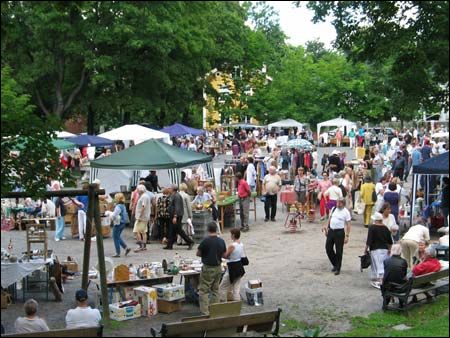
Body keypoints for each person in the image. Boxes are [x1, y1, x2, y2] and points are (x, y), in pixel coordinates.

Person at [197, 222, 227, 315]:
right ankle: (215, 311)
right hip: (218, 267)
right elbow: (224, 254)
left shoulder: (205, 241)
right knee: (215, 289)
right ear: (216, 229)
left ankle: (205, 312)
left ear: (208, 229)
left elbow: (198, 253)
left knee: (204, 290)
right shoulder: (221, 241)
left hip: (208, 268)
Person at [322, 197, 352, 275]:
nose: (337, 204)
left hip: (339, 232)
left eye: (339, 203)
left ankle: (338, 268)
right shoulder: (333, 209)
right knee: (328, 248)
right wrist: (327, 227)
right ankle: (335, 263)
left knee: (339, 251)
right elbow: (330, 218)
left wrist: (347, 235)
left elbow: (348, 224)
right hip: (331, 231)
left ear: (343, 204)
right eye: (337, 202)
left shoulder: (346, 212)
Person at [364, 213, 393, 289]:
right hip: (385, 249)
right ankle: (378, 279)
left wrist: (365, 249)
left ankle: (380, 281)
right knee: (382, 264)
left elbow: (369, 240)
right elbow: (390, 241)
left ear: (376, 220)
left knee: (377, 265)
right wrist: (389, 249)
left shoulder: (372, 227)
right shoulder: (385, 228)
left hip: (375, 249)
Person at [219, 228, 246, 302]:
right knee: (236, 288)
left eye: (231, 234)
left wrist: (220, 253)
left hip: (232, 267)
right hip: (239, 266)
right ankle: (237, 304)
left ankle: (223, 303)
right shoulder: (241, 244)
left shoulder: (232, 245)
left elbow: (226, 256)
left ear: (233, 235)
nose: (230, 236)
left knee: (223, 287)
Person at [165, 184, 194, 250]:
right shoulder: (173, 195)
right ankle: (169, 245)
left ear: (172, 189)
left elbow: (177, 207)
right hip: (173, 215)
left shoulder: (177, 196)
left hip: (176, 216)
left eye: (170, 188)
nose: (168, 189)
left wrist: (175, 216)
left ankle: (190, 242)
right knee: (172, 230)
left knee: (179, 230)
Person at [381, 244, 408, 308]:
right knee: (400, 279)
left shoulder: (386, 261)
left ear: (392, 251)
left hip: (388, 286)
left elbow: (386, 273)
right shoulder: (403, 261)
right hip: (401, 287)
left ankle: (386, 303)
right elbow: (404, 274)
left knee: (385, 280)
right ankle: (401, 303)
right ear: (400, 252)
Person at [109, 193, 131, 258]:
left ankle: (117, 252)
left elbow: (114, 215)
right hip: (123, 222)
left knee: (115, 237)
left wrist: (110, 215)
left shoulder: (118, 206)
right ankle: (126, 248)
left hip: (118, 223)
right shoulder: (123, 205)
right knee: (117, 236)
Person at [133, 184, 151, 252]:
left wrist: (139, 215)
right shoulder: (145, 196)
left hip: (142, 217)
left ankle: (140, 246)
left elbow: (143, 206)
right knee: (143, 232)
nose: (137, 191)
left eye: (137, 190)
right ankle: (144, 246)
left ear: (140, 190)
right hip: (144, 217)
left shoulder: (144, 197)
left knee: (137, 231)